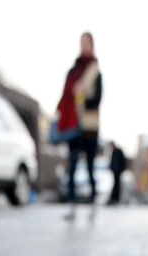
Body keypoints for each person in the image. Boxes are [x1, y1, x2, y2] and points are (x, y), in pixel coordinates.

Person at [56, 32, 102, 219]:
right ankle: (72, 205)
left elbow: (97, 100)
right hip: (73, 124)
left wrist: (82, 96)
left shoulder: (95, 71)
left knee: (90, 166)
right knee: (72, 165)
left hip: (89, 126)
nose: (83, 46)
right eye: (81, 42)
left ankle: (92, 203)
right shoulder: (73, 70)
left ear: (92, 45)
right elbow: (66, 95)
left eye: (87, 43)